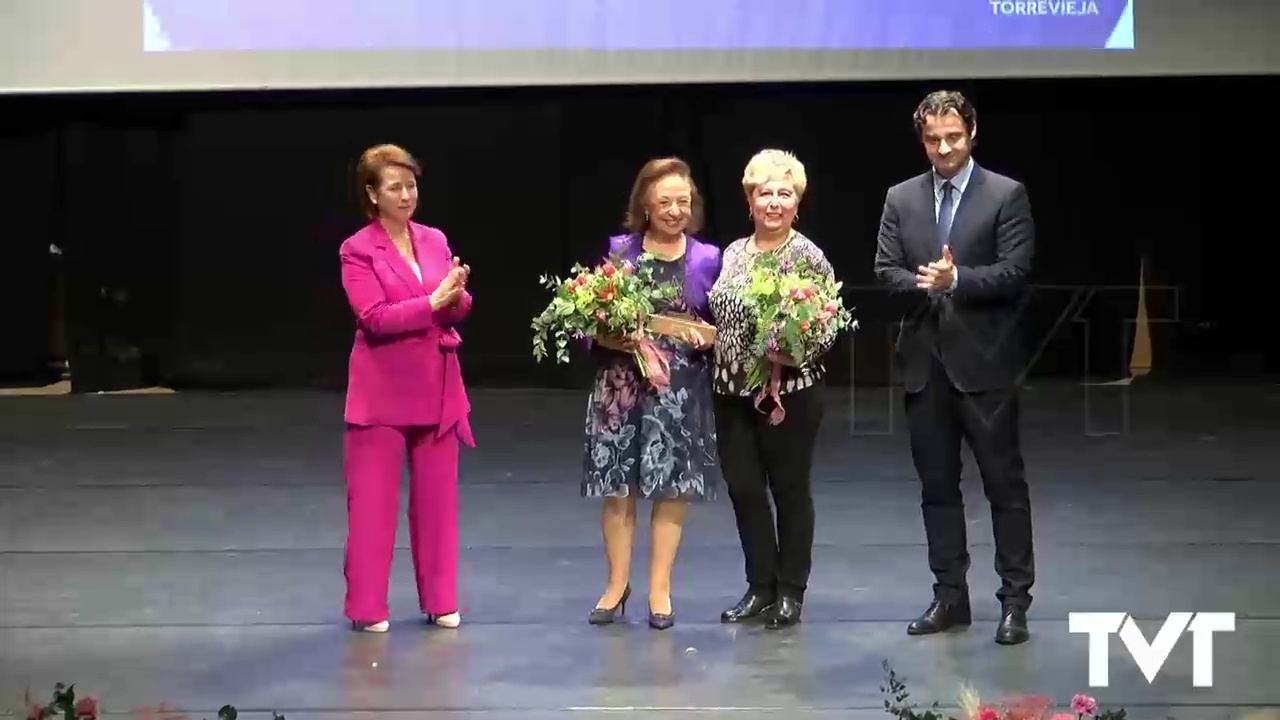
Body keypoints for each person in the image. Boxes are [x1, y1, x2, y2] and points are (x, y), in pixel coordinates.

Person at [872, 90, 1036, 645]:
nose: (944, 148)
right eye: (934, 140)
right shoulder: (901, 197)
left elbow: (1015, 271)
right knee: (937, 488)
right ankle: (950, 597)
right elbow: (884, 271)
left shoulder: (1004, 194)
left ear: (972, 133)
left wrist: (958, 279)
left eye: (954, 137)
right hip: (924, 366)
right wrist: (926, 283)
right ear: (922, 140)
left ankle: (1015, 601)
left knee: (1003, 486)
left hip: (985, 366)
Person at [582, 157, 722, 631]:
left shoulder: (707, 259)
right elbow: (590, 324)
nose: (674, 210)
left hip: (679, 391)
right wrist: (608, 337)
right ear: (644, 204)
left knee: (671, 488)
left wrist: (709, 336)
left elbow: (721, 327)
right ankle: (615, 584)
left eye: (683, 201)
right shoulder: (621, 253)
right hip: (621, 387)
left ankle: (659, 588)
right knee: (619, 488)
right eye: (664, 201)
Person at [338, 143, 474, 633]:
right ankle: (368, 607)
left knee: (438, 505)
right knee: (373, 507)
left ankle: (440, 599)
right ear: (372, 194)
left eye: (411, 185)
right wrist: (434, 301)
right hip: (382, 392)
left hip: (437, 387)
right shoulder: (358, 249)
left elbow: (453, 307)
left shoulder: (433, 239)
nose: (405, 195)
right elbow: (373, 318)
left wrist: (456, 295)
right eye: (394, 187)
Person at [708, 149, 836, 630]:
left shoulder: (808, 256)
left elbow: (826, 327)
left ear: (797, 203)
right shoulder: (735, 252)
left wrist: (790, 350)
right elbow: (723, 317)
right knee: (743, 489)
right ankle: (759, 585)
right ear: (750, 201)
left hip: (790, 396)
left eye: (785, 193)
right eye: (766, 193)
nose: (775, 202)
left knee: (789, 490)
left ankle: (791, 590)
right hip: (729, 392)